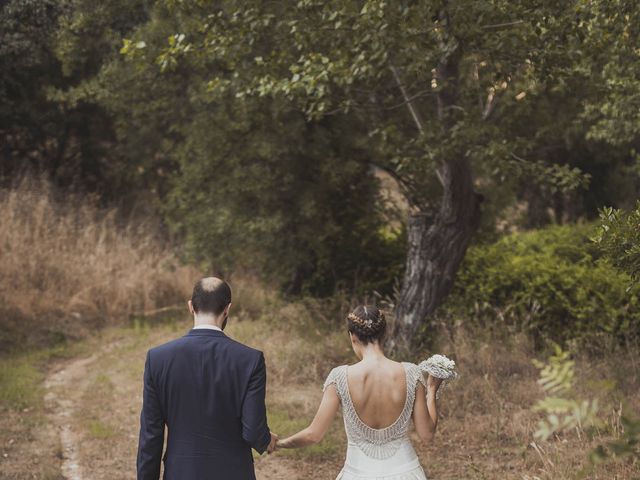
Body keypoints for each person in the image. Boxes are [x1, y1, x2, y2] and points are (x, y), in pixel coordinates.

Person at [276, 305, 441, 479]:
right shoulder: (411, 373)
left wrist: (278, 443)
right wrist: (431, 391)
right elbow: (427, 434)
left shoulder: (340, 377)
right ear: (384, 334)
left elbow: (313, 435)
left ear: (352, 336)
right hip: (406, 472)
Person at [136, 277, 277, 480]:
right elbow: (253, 431)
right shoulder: (250, 359)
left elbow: (151, 436)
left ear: (191, 306)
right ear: (228, 309)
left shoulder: (158, 358)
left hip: (181, 473)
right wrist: (265, 440)